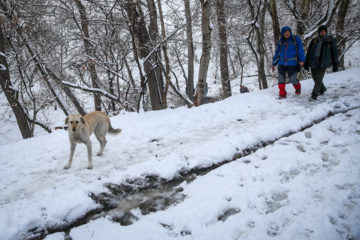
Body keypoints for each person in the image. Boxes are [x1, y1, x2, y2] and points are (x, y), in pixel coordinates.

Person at [304, 25, 339, 101]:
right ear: (319, 32)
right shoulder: (314, 40)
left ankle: (314, 95)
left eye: (324, 31)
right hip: (314, 62)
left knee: (319, 79)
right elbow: (309, 52)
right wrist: (306, 63)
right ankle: (322, 89)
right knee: (315, 78)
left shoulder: (330, 40)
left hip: (323, 62)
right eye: (321, 31)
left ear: (326, 32)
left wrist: (335, 64)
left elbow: (334, 53)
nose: (323, 33)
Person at [272, 26, 305, 99]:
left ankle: (298, 88)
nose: (287, 33)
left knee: (293, 79)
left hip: (292, 62)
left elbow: (300, 50)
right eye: (285, 32)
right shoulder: (281, 42)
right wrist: (274, 63)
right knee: (281, 79)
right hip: (281, 62)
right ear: (282, 33)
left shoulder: (295, 39)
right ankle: (282, 93)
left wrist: (301, 61)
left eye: (288, 32)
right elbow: (277, 53)